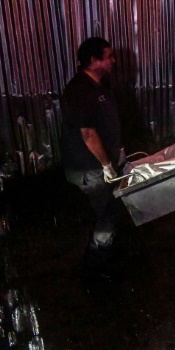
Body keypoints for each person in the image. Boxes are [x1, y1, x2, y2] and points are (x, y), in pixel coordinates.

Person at [60, 37, 127, 281]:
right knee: (106, 216)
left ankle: (102, 259)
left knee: (109, 211)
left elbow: (106, 122)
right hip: (90, 168)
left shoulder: (101, 85)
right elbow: (87, 133)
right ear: (93, 60)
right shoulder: (79, 90)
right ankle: (95, 269)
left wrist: (118, 150)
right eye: (108, 56)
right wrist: (107, 165)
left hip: (102, 163)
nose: (113, 60)